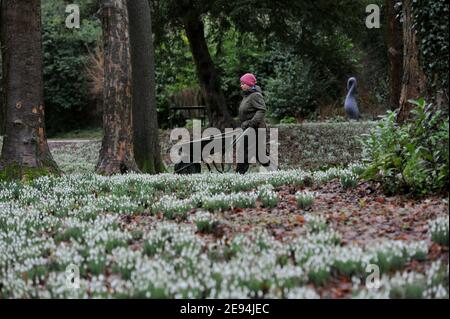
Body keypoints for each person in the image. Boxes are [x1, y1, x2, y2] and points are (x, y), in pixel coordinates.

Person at [235, 73, 276, 174]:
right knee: (260, 154)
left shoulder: (255, 95)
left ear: (249, 84)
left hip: (255, 129)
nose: (241, 85)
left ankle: (239, 175)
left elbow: (262, 110)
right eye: (241, 83)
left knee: (244, 152)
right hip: (250, 129)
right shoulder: (247, 95)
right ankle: (276, 172)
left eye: (243, 83)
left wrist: (251, 123)